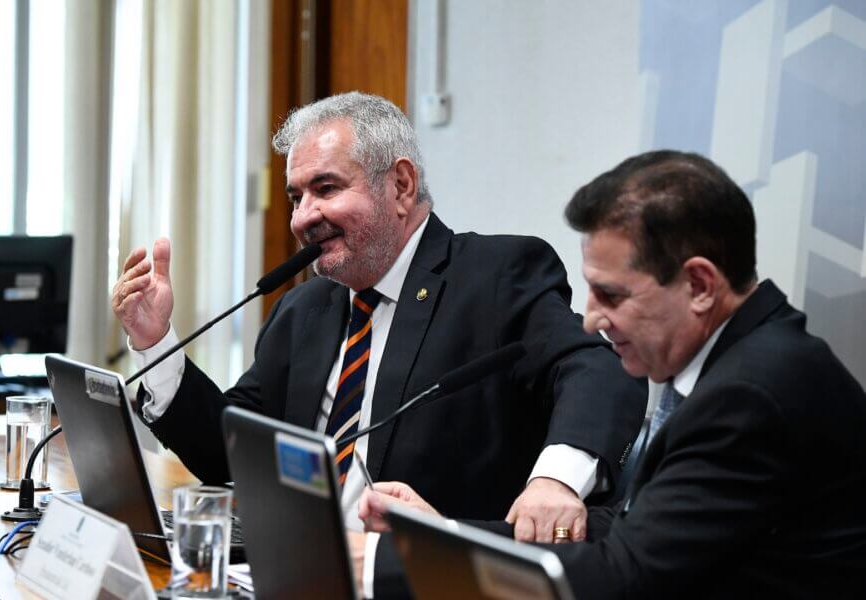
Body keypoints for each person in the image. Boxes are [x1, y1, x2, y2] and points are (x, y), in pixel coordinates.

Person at [111, 92, 645, 594]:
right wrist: (157, 342)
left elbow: (597, 366)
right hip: (294, 576)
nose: (302, 218)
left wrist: (556, 481)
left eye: (326, 189)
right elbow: (230, 452)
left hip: (419, 583)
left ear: (402, 186)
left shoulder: (495, 276)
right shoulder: (303, 310)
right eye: (296, 197)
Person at [360, 150, 866, 598]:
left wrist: (388, 564)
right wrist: (443, 534)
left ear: (699, 284)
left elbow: (624, 576)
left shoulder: (752, 393)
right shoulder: (742, 360)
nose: (592, 319)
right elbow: (630, 528)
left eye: (613, 295)